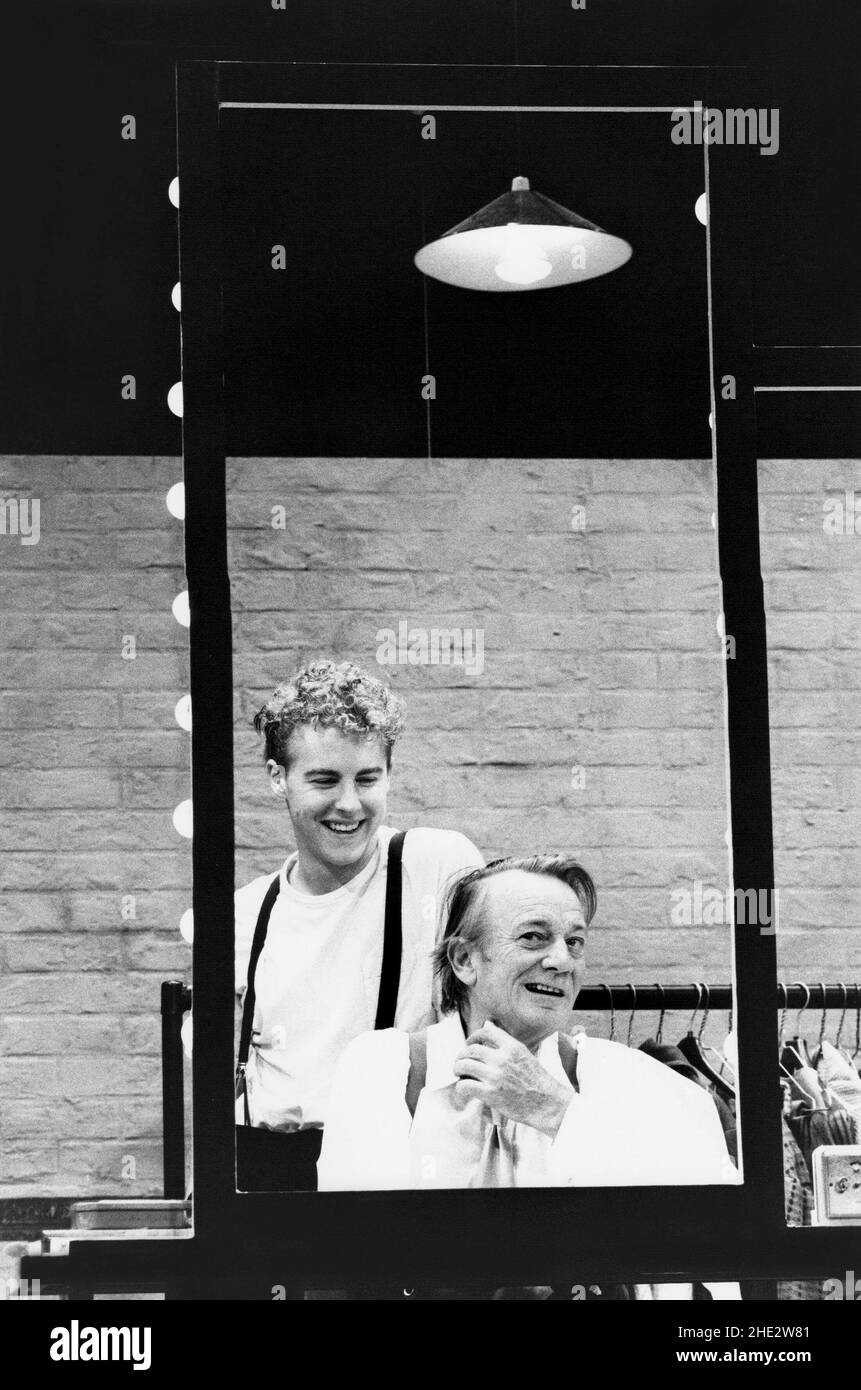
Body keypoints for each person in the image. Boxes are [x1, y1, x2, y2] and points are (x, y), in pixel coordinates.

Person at [318, 853, 740, 1297]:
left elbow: (720, 1239)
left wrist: (557, 1110)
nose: (562, 960)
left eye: (575, 942)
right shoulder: (382, 1070)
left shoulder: (647, 1087)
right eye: (534, 938)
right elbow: (355, 1248)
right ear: (464, 960)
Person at [234, 659, 484, 1185]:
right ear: (278, 778)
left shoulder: (434, 865)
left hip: (396, 1165)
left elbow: (492, 1009)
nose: (349, 804)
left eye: (367, 779)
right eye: (324, 779)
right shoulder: (247, 913)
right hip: (272, 1172)